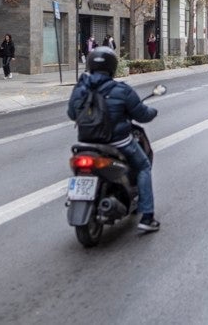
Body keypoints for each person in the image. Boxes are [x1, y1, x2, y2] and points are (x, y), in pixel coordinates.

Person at [67, 46, 160, 232]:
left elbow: (71, 113)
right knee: (143, 166)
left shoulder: (80, 89)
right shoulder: (121, 90)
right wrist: (152, 111)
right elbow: (142, 115)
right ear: (112, 67)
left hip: (86, 143)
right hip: (117, 142)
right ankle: (147, 217)